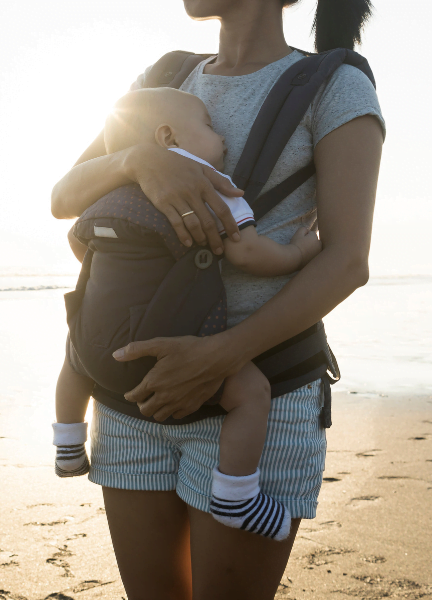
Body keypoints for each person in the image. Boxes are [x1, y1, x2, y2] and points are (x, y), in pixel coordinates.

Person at [49, 0, 384, 597]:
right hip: (135, 396)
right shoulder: (164, 77)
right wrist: (138, 160)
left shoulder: (335, 84)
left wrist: (220, 356)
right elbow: (64, 196)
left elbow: (346, 260)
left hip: (259, 396)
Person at [52, 87, 323, 543]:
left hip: (102, 353)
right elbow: (248, 253)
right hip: (164, 351)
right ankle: (236, 493)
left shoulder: (105, 190)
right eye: (210, 127)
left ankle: (67, 445)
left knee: (75, 357)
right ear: (168, 136)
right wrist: (298, 252)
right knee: (251, 392)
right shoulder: (210, 182)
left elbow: (80, 243)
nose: (222, 139)